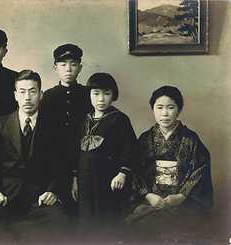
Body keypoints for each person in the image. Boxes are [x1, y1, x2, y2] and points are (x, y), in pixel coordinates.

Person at [0, 70, 69, 243]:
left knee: (60, 223)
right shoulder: (0, 124)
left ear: (40, 95)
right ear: (15, 95)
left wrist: (52, 190)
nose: (27, 97)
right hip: (6, 197)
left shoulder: (54, 125)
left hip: (40, 199)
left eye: (32, 91)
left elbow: (61, 165)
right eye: (22, 92)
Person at [128, 85, 213, 241]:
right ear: (153, 109)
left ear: (178, 110)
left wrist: (181, 196)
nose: (164, 113)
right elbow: (135, 170)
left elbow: (200, 169)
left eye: (170, 107)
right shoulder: (145, 139)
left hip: (183, 204)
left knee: (186, 229)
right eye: (159, 107)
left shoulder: (191, 139)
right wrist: (148, 195)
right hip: (150, 202)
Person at [71, 73, 137, 239]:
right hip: (85, 179)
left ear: (113, 95)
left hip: (108, 179)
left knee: (107, 220)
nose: (101, 99)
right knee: (86, 220)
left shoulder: (120, 119)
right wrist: (74, 179)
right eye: (96, 93)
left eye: (106, 94)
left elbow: (129, 149)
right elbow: (75, 153)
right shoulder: (83, 119)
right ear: (89, 95)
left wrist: (122, 173)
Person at [39, 43, 91, 214]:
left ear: (80, 68)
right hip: (57, 160)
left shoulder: (88, 94)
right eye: (63, 64)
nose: (68, 69)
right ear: (55, 68)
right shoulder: (48, 96)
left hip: (84, 158)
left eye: (73, 64)